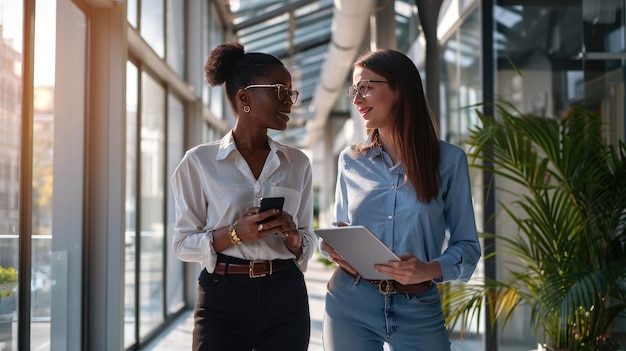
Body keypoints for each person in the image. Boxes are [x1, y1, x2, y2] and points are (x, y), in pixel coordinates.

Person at [320, 48, 482, 351]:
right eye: (354, 90)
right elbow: (337, 226)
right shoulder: (350, 160)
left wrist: (428, 269)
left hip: (418, 305)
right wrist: (332, 246)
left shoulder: (449, 161)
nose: (356, 99)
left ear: (399, 90)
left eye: (366, 87)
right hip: (350, 301)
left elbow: (468, 248)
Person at [170, 42, 315, 351]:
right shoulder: (199, 162)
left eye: (291, 92)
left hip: (285, 294)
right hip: (222, 295)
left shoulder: (298, 162)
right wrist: (235, 234)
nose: (289, 100)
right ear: (245, 97)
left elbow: (307, 238)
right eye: (280, 90)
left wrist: (291, 235)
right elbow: (182, 243)